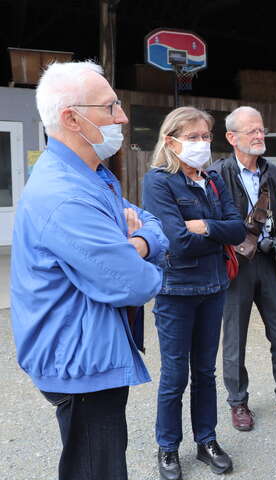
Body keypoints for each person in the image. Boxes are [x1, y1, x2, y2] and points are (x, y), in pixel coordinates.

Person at [10, 61, 168, 480]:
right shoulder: (67, 196)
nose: (123, 117)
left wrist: (137, 242)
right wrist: (142, 251)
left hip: (88, 347)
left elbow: (151, 223)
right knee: (97, 469)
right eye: (110, 106)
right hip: (81, 363)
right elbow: (137, 283)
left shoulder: (89, 176)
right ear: (71, 118)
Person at [142, 107, 245, 479]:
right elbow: (177, 243)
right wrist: (212, 233)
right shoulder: (158, 182)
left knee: (204, 371)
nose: (202, 143)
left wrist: (205, 226)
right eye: (194, 137)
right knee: (174, 374)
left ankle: (207, 440)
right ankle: (167, 447)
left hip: (214, 287)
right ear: (171, 141)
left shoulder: (213, 179)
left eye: (206, 137)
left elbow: (238, 229)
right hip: (177, 291)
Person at [211, 106, 276, 431]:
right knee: (235, 340)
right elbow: (215, 223)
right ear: (232, 138)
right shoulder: (218, 174)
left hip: (269, 262)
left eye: (261, 130)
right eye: (251, 131)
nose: (260, 136)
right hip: (236, 267)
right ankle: (238, 403)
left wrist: (269, 243)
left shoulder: (272, 172)